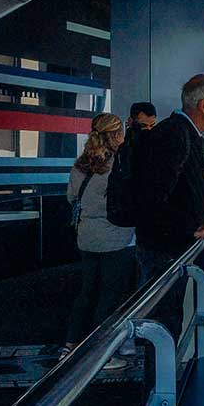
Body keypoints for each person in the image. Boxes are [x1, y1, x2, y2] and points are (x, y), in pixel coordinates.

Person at [134, 74, 204, 285]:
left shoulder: (187, 134)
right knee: (162, 314)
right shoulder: (174, 134)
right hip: (163, 250)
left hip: (173, 246)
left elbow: (182, 191)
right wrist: (193, 228)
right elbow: (151, 197)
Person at [63, 113, 137, 364]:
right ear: (116, 135)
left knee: (87, 292)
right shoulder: (118, 164)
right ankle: (100, 353)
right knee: (110, 296)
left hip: (86, 237)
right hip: (114, 238)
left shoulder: (80, 164)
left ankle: (71, 345)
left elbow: (71, 198)